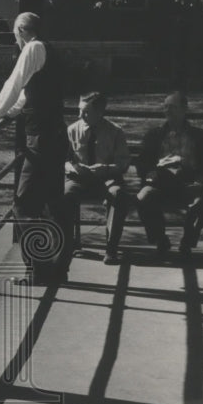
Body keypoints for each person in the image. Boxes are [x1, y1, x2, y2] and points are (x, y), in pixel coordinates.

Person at [0, 12, 68, 285]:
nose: (15, 41)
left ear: (20, 31)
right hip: (53, 136)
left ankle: (40, 270)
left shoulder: (32, 47)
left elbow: (13, 84)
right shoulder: (48, 50)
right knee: (52, 204)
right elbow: (28, 95)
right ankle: (58, 268)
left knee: (24, 205)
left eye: (15, 36)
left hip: (41, 140)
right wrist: (13, 111)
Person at [135, 91, 203, 259]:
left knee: (201, 202)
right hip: (160, 182)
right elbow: (141, 163)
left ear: (184, 109)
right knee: (143, 198)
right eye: (165, 107)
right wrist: (152, 171)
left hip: (188, 183)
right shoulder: (154, 135)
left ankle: (187, 243)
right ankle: (160, 239)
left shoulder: (199, 136)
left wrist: (200, 178)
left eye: (172, 107)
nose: (167, 111)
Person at [59, 91, 131, 271]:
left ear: (100, 112)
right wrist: (71, 167)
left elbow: (123, 162)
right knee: (65, 195)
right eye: (79, 110)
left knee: (118, 194)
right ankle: (66, 246)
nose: (80, 116)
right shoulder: (72, 130)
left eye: (85, 112)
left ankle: (111, 249)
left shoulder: (115, 131)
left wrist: (106, 168)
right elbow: (63, 159)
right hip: (80, 178)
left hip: (106, 178)